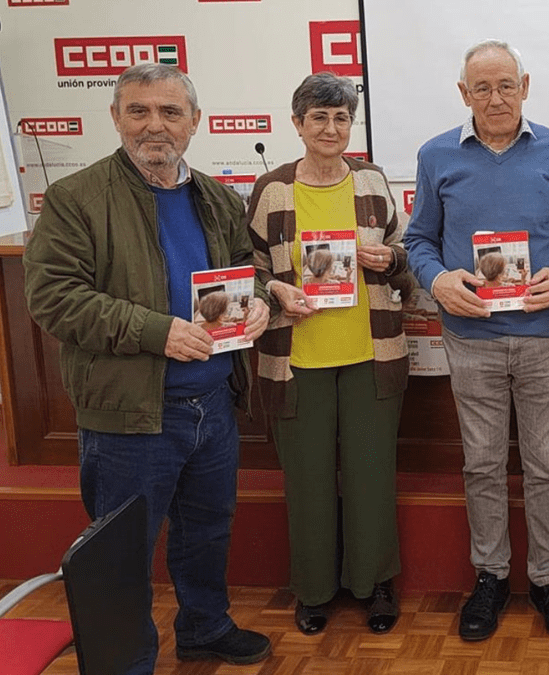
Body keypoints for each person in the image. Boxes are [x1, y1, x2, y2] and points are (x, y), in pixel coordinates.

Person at [22, 63, 272, 672]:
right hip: (129, 414)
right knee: (123, 554)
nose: (153, 125)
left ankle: (204, 627)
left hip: (211, 404)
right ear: (115, 118)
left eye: (169, 112)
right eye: (138, 111)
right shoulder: (75, 197)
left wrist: (261, 296)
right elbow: (53, 297)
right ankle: (124, 663)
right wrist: (156, 332)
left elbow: (245, 268)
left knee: (206, 532)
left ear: (194, 123)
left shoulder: (215, 196)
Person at [404, 39, 549, 642]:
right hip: (471, 338)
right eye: (481, 88)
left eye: (506, 85)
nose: (495, 97)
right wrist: (437, 279)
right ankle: (490, 576)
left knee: (547, 465)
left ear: (526, 86)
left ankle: (547, 576)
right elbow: (419, 241)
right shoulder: (436, 156)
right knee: (481, 463)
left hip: (547, 335)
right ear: (464, 94)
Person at [246, 73, 412, 636]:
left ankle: (375, 585)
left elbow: (402, 252)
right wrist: (274, 290)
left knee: (371, 476)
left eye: (341, 117)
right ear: (297, 125)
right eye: (318, 117)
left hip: (372, 354)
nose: (331, 128)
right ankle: (314, 590)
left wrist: (388, 261)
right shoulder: (272, 189)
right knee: (308, 479)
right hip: (296, 360)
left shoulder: (370, 179)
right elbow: (249, 269)